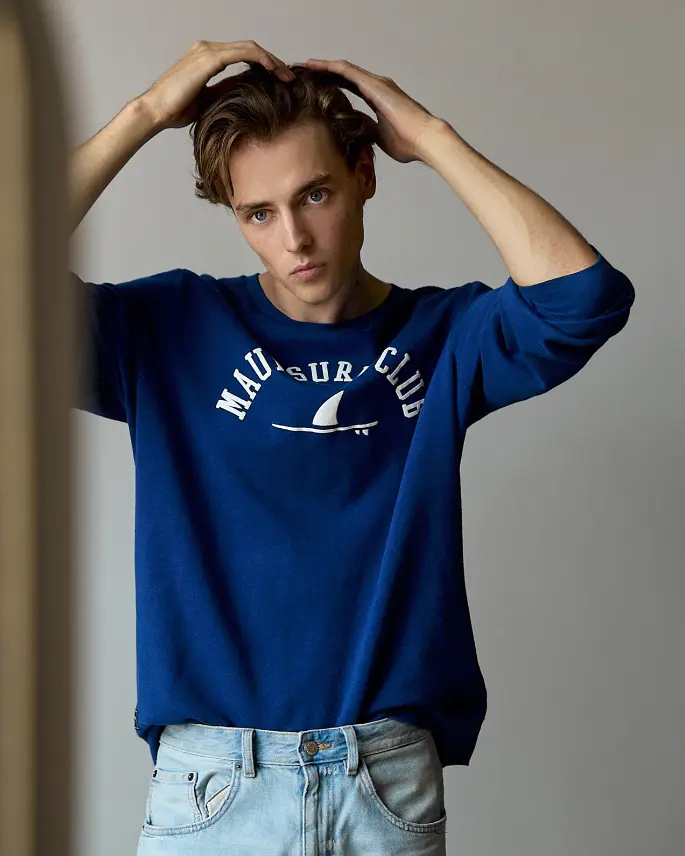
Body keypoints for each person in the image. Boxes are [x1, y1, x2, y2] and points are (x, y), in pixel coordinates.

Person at [70, 39, 636, 853]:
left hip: (382, 782)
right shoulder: (167, 331)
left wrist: (433, 139)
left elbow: (582, 298)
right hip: (211, 787)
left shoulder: (443, 336)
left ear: (364, 174)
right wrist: (145, 113)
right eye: (258, 213)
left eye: (315, 194)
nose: (294, 238)